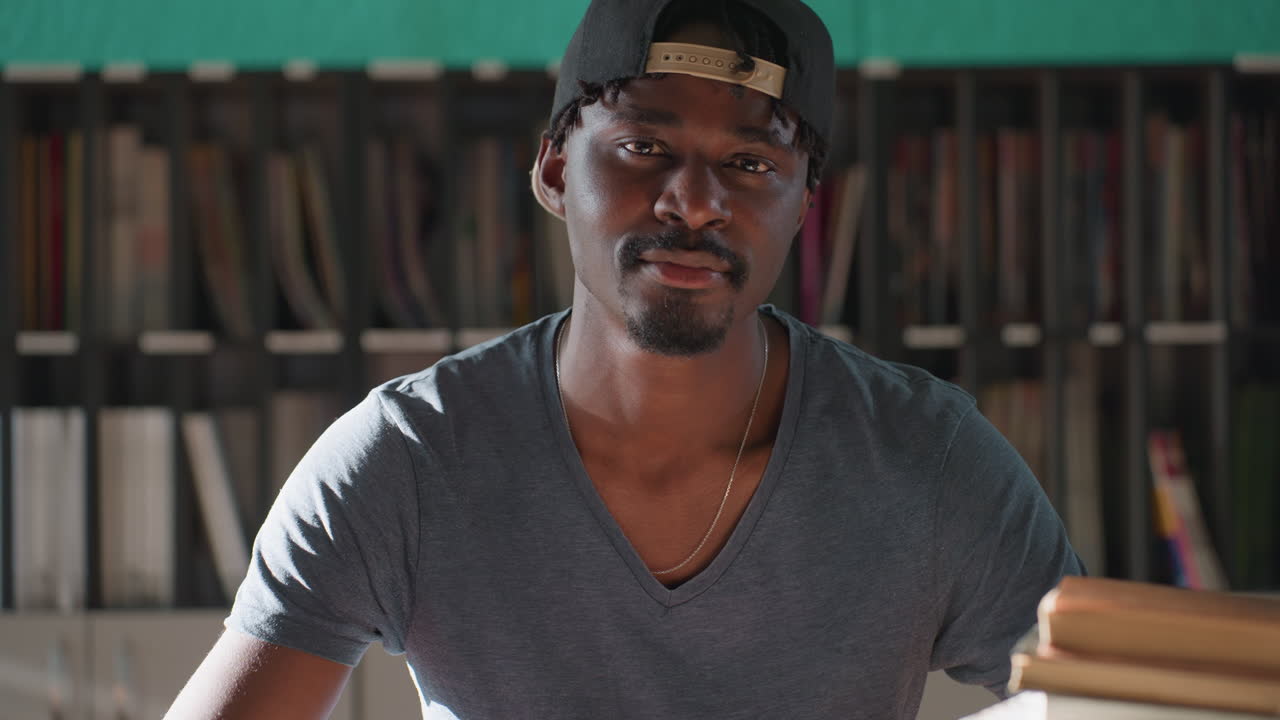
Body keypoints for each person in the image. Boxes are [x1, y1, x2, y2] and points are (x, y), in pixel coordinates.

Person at [167, 0, 1082, 717]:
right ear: (558, 172)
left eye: (752, 164)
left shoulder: (928, 462)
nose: (695, 201)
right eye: (644, 147)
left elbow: (1113, 700)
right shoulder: (406, 460)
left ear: (806, 204)